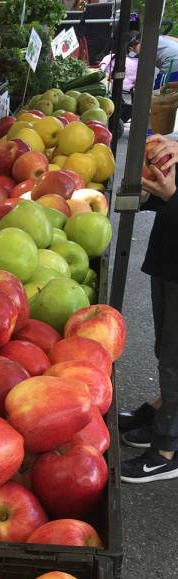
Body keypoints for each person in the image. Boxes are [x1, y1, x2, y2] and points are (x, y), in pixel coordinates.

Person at [119, 134, 178, 483]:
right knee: (166, 347)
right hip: (170, 256)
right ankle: (163, 409)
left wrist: (171, 196)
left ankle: (167, 448)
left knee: (175, 357)